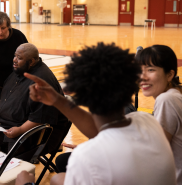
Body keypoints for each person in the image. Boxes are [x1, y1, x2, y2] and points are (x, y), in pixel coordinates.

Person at [18, 42, 176, 185]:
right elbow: (103, 130)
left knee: (57, 179)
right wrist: (57, 100)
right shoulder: (146, 121)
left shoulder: (87, 156)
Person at [0, 43, 68, 158]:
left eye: (19, 58)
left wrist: (21, 129)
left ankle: (10, 172)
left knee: (13, 147)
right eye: (15, 56)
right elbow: (8, 93)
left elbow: (40, 118)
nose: (14, 60)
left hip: (37, 132)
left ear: (31, 61)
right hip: (13, 122)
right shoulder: (21, 69)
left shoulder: (41, 82)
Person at [137, 45, 182, 183]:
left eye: (150, 70)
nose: (142, 77)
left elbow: (154, 155)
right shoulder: (176, 94)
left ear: (170, 74)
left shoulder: (167, 99)